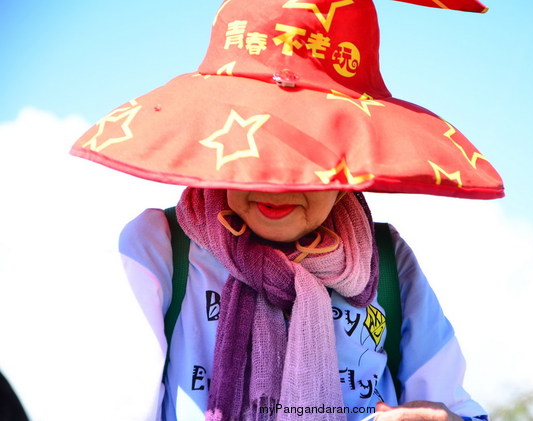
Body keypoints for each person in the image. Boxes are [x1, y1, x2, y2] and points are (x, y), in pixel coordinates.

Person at [70, 0, 504, 419]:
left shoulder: (386, 260)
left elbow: (454, 405)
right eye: (259, 148)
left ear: (350, 163)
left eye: (310, 161)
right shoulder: (160, 246)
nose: (279, 180)